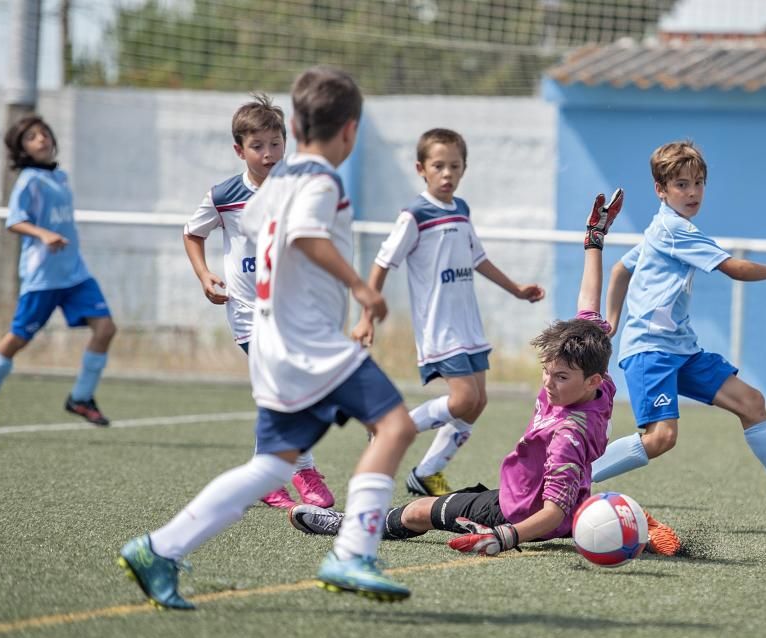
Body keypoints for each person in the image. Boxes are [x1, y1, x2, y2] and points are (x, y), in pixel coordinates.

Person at [119, 66, 419, 609]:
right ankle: (352, 552)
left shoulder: (278, 181)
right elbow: (304, 236)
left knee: (272, 465)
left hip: (275, 342)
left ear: (295, 128)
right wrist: (361, 290)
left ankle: (158, 548)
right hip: (310, 342)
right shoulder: (320, 180)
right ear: (349, 130)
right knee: (395, 425)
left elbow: (260, 229)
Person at [292, 189, 681, 557]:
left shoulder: (569, 433)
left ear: (591, 381)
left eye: (561, 378)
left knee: (417, 513)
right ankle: (625, 520)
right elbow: (588, 300)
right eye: (547, 372)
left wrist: (504, 536)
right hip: (557, 498)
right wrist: (594, 238)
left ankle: (346, 525)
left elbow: (553, 513)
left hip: (520, 512)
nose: (549, 382)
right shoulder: (595, 374)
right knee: (542, 502)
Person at [591, 140, 766, 528]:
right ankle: (574, 477)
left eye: (698, 183)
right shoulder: (674, 230)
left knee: (751, 403)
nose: (692, 192)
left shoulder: (660, 230)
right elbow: (735, 269)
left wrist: (610, 322)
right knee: (661, 437)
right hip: (651, 350)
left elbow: (620, 272)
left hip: (680, 349)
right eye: (681, 184)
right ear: (660, 190)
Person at [352, 128, 545, 498]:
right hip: (439, 326)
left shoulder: (461, 209)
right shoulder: (415, 214)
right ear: (421, 168)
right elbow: (381, 263)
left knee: (478, 402)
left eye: (454, 166)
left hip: (468, 323)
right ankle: (389, 427)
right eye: (438, 166)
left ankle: (426, 472)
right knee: (462, 400)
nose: (447, 173)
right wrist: (366, 316)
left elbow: (478, 259)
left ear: (464, 169)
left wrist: (516, 289)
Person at [182, 93, 333, 511]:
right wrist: (204, 274)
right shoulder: (224, 195)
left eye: (276, 144)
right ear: (239, 150)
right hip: (249, 312)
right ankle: (301, 469)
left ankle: (265, 474)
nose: (268, 155)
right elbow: (193, 234)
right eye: (258, 146)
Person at [0, 115, 117, 436]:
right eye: (32, 137)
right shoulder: (28, 180)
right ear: (22, 149)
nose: (41, 139)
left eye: (43, 133)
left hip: (74, 274)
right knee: (18, 338)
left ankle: (81, 397)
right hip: (43, 277)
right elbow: (14, 221)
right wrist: (43, 234)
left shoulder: (60, 177)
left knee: (105, 328)